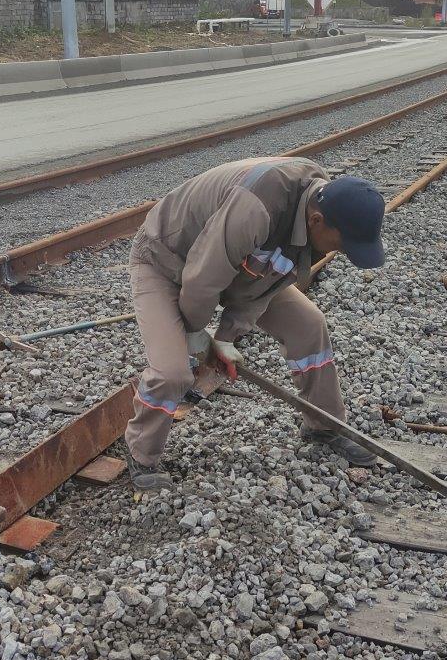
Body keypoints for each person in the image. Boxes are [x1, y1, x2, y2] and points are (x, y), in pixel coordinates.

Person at [124, 156, 387, 491]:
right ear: (318, 221)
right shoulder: (257, 209)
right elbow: (202, 281)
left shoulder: (313, 204)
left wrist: (228, 336)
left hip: (233, 265)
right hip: (164, 261)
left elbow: (270, 281)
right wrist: (197, 337)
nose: (341, 253)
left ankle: (324, 425)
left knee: (309, 325)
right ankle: (141, 454)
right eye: (341, 245)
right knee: (172, 372)